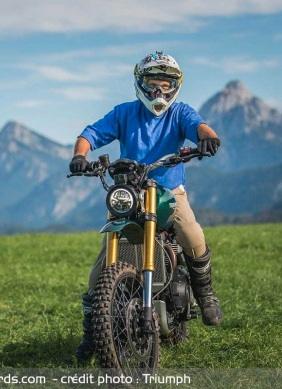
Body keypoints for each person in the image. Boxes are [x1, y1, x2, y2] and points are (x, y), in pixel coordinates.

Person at [68, 51, 223, 363]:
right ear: (141, 83)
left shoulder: (179, 112)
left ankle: (206, 296)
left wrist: (209, 139)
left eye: (166, 83)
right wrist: (79, 156)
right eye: (153, 82)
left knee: (191, 233)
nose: (159, 91)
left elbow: (201, 127)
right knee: (99, 270)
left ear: (175, 86)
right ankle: (92, 331)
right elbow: (90, 134)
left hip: (169, 192)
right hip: (130, 192)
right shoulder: (125, 113)